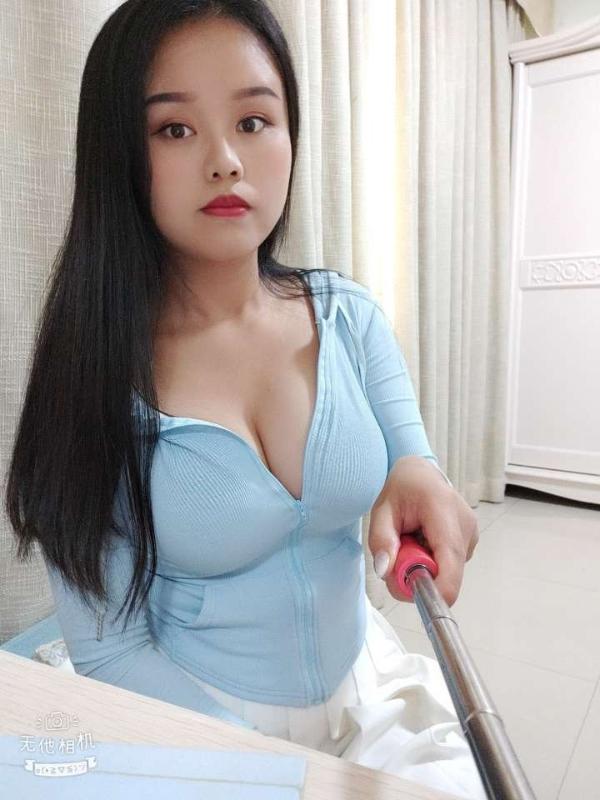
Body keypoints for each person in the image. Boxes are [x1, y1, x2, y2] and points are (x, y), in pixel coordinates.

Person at [4, 2, 484, 798]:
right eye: (175, 129)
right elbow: (111, 648)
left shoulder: (348, 317)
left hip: (366, 688)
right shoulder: (89, 379)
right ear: (119, 155)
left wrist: (420, 478)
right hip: (190, 714)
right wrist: (271, 774)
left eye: (254, 121)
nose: (226, 160)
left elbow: (414, 463)